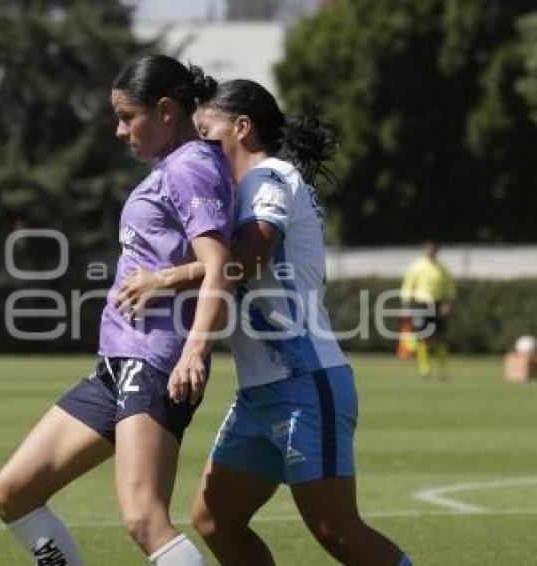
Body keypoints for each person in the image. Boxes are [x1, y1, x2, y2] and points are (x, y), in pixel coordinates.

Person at [115, 79, 412, 565]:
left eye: (207, 134)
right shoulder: (249, 186)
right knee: (215, 520)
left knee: (337, 531)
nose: (202, 146)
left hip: (306, 383)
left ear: (242, 128)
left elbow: (251, 257)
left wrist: (165, 279)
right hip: (260, 394)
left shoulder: (268, 176)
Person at [0, 55, 233, 566]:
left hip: (156, 361)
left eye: (127, 117)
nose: (119, 131)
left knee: (144, 518)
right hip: (118, 364)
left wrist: (194, 349)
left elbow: (221, 266)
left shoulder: (189, 166)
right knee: (12, 493)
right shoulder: (171, 167)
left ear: (165, 111)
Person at [400, 240, 456, 379]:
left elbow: (449, 287)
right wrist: (406, 305)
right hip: (421, 304)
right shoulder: (417, 266)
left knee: (441, 337)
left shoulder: (442, 268)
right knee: (422, 336)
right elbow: (408, 286)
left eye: (434, 250)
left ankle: (443, 368)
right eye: (428, 249)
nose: (431, 252)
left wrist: (448, 303)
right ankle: (424, 368)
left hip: (438, 304)